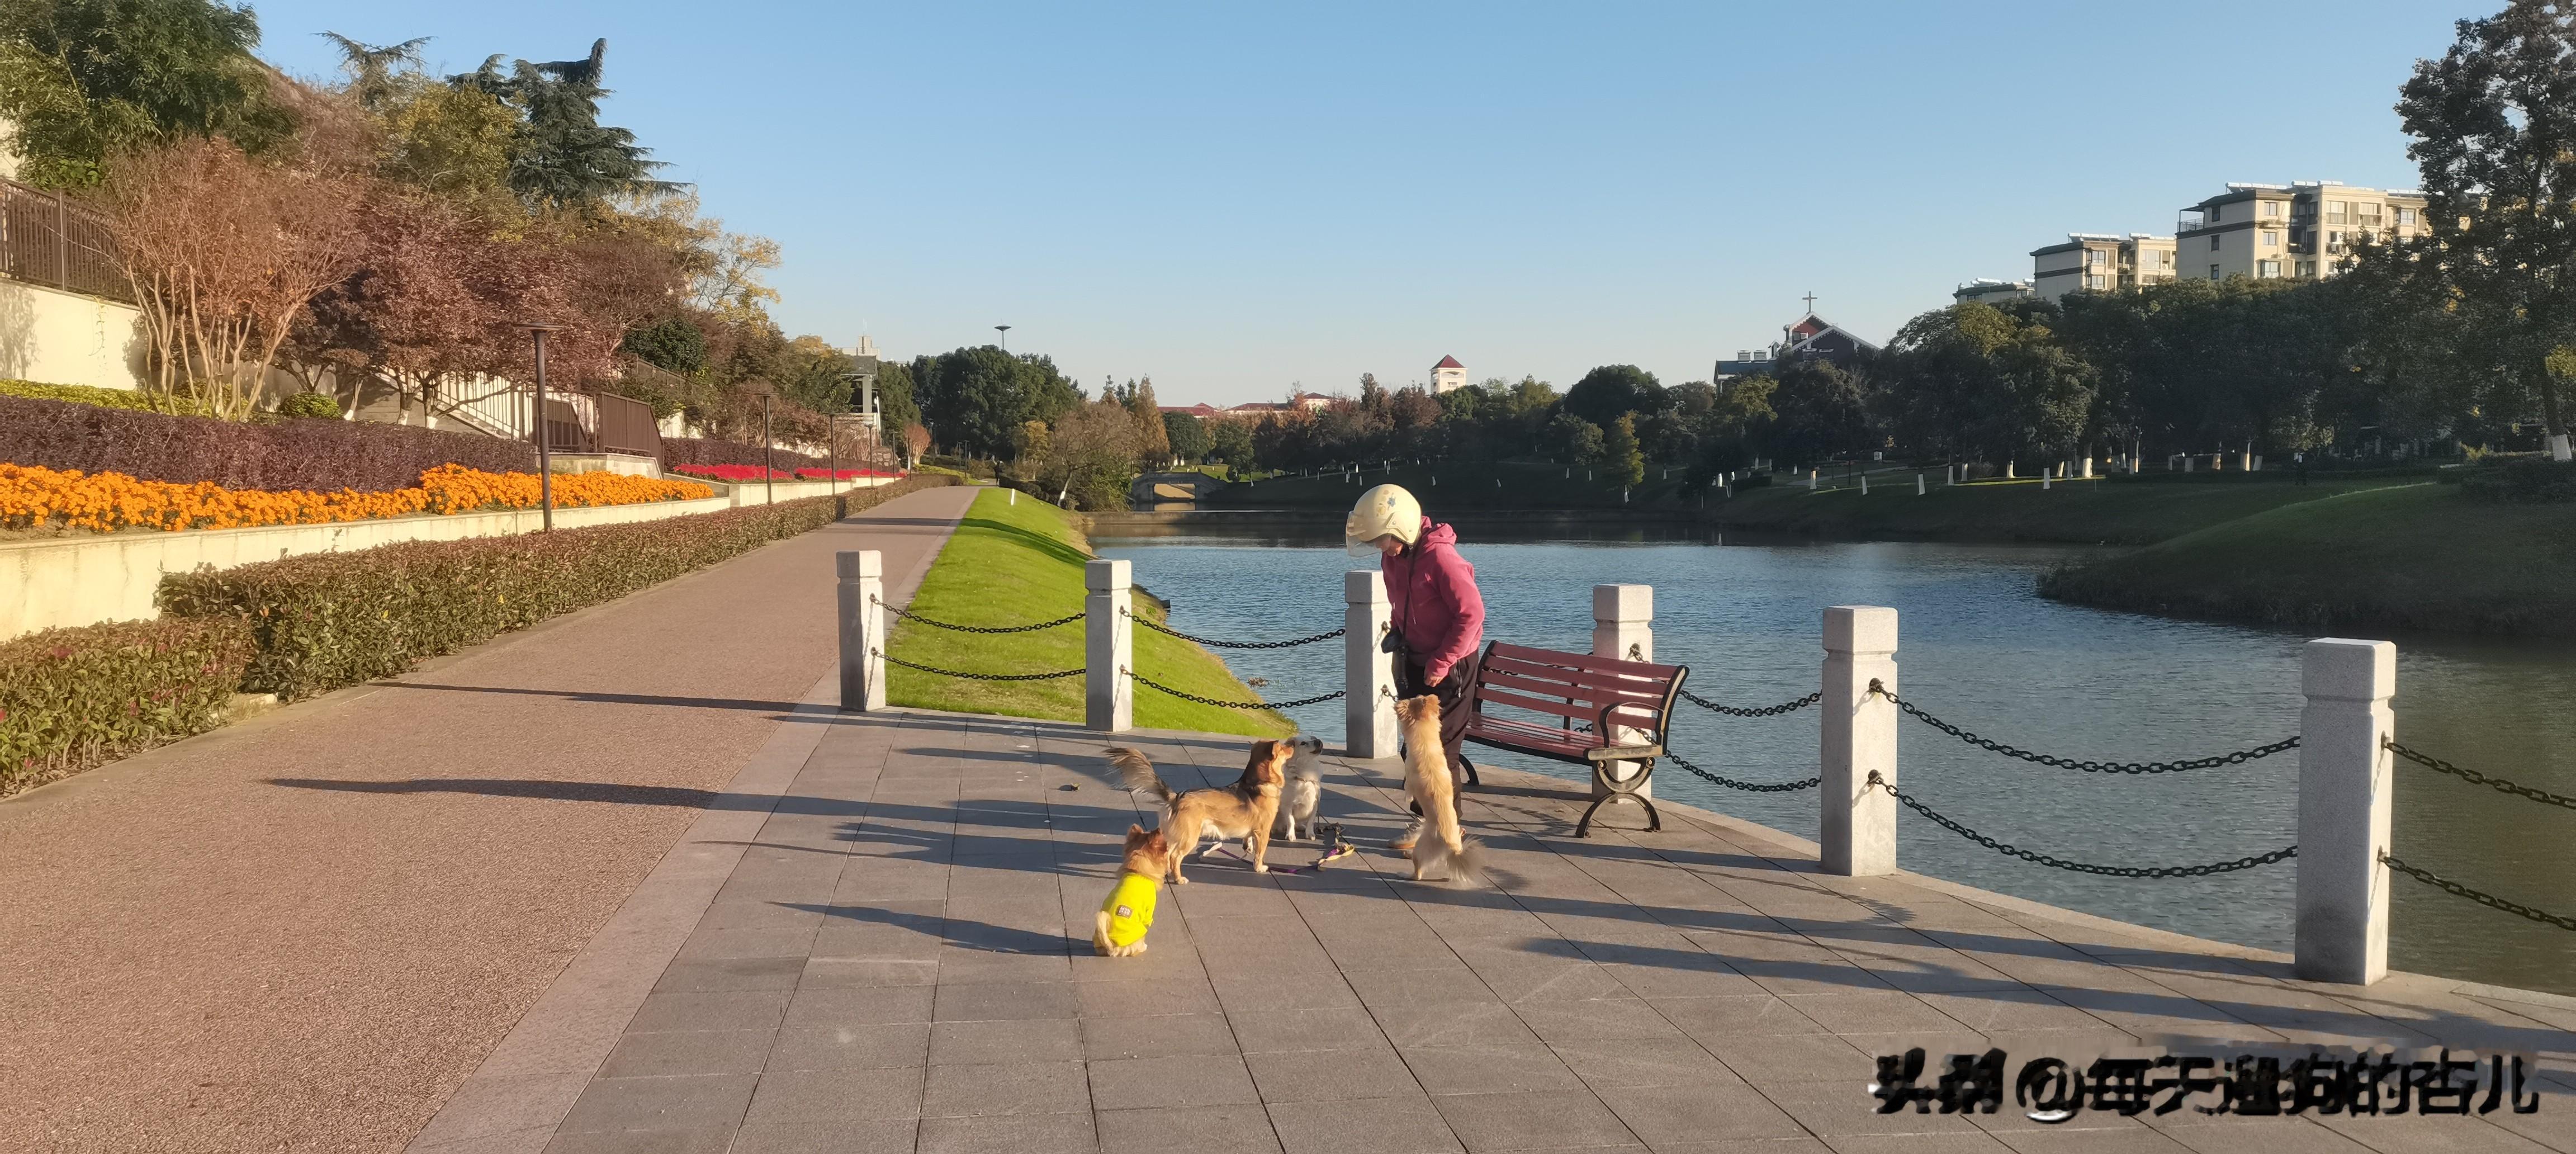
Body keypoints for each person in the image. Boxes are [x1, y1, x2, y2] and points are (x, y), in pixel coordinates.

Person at [1346, 484, 1485, 851]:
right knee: (1415, 748)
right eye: (1375, 540)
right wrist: (1399, 631)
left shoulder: (1442, 560)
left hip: (1452, 667)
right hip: (1414, 660)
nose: (1380, 546)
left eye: (1384, 538)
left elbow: (1471, 616)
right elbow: (1400, 602)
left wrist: (1441, 661)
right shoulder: (1394, 557)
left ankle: (1449, 830)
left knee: (1439, 752)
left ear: (1404, 527)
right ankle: (1424, 821)